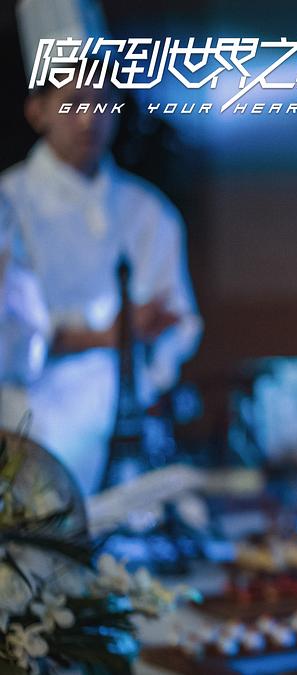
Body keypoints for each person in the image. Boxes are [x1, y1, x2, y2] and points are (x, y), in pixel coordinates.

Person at [0, 76, 202, 496]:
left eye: (103, 102)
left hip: (130, 437)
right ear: (37, 111)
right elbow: (12, 343)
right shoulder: (9, 206)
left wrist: (151, 346)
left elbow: (178, 326)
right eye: (74, 102)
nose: (90, 118)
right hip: (35, 436)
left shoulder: (148, 210)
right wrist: (108, 334)